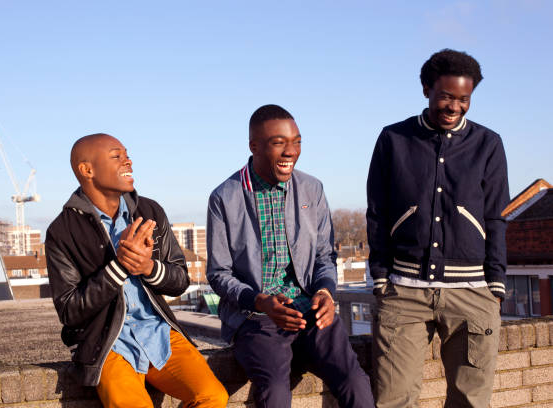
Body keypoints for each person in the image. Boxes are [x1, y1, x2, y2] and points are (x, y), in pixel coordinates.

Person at [367, 49, 509, 407]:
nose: (454, 107)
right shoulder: (393, 139)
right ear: (427, 89)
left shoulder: (488, 144)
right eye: (446, 96)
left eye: (464, 99)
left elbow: (496, 216)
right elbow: (377, 212)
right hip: (404, 291)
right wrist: (381, 276)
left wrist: (495, 284)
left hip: (472, 293)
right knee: (394, 400)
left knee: (470, 402)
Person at [206, 104, 374, 407]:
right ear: (254, 146)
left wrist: (325, 291)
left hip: (311, 310)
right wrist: (260, 302)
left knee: (354, 380)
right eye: (278, 142)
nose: (291, 151)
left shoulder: (312, 188)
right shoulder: (224, 197)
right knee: (274, 391)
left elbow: (324, 255)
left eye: (296, 142)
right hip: (257, 318)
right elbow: (219, 274)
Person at [45, 133, 228, 408]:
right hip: (107, 344)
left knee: (213, 395)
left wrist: (148, 267)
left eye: (127, 155)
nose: (128, 161)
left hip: (159, 333)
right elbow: (70, 310)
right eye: (116, 156)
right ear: (87, 170)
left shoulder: (150, 211)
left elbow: (180, 280)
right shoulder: (62, 231)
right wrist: (119, 267)